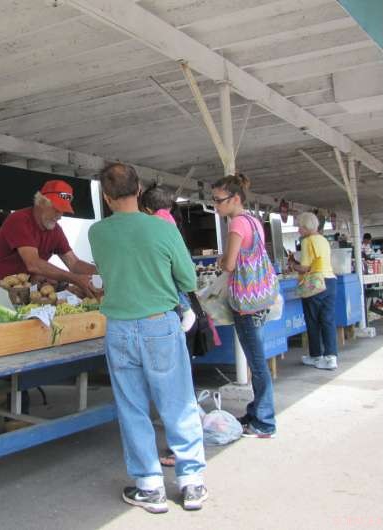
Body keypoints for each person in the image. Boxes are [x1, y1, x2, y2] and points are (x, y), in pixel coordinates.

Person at [89, 163, 208, 513]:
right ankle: (191, 482)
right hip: (160, 325)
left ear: (107, 197)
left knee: (132, 407)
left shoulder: (97, 233)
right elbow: (188, 280)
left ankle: (150, 486)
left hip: (119, 329)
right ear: (138, 188)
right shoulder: (162, 229)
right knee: (177, 401)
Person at [212, 173, 277, 439]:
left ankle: (264, 421)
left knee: (257, 364)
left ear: (235, 198)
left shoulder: (237, 224)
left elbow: (229, 264)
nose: (216, 206)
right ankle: (256, 411)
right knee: (257, 360)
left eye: (219, 201)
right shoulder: (253, 221)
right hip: (259, 300)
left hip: (246, 305)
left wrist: (220, 259)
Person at [0, 180, 98, 298]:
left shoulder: (55, 230)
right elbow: (33, 264)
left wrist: (104, 272)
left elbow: (74, 263)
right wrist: (75, 279)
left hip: (21, 291)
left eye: (63, 210)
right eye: (56, 209)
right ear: (40, 203)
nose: (59, 215)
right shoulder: (20, 220)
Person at [139, 183, 196, 333]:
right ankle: (187, 310)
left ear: (147, 209)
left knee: (173, 284)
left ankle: (187, 310)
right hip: (177, 256)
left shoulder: (156, 221)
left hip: (168, 262)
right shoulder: (168, 217)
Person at [289, 212, 338, 370]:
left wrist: (293, 265)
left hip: (315, 283)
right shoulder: (323, 240)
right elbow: (317, 262)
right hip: (330, 281)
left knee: (313, 321)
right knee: (327, 320)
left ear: (306, 227)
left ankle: (315, 355)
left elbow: (305, 267)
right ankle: (331, 357)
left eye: (300, 227)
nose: (298, 230)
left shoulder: (307, 241)